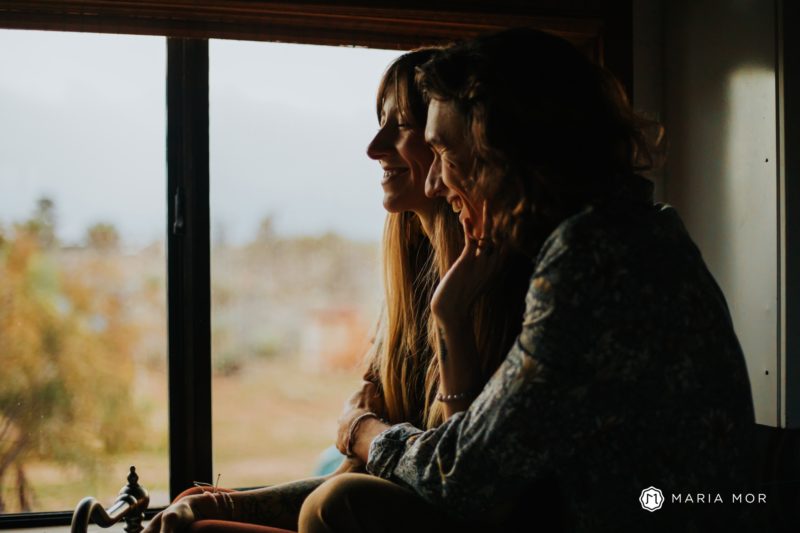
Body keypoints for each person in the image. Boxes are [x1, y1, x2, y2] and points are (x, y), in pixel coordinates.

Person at [332, 28, 757, 532]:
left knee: (341, 505)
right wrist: (450, 313)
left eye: (445, 154)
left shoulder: (593, 259)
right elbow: (482, 463)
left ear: (505, 152)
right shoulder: (633, 232)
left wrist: (365, 434)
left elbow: (464, 478)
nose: (433, 181)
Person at [143, 47, 533, 533]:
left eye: (402, 125)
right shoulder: (413, 292)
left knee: (337, 503)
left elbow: (451, 487)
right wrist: (222, 505)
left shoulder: (513, 300)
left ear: (451, 143)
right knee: (198, 526)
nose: (374, 147)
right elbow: (374, 473)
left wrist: (363, 431)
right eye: (379, 122)